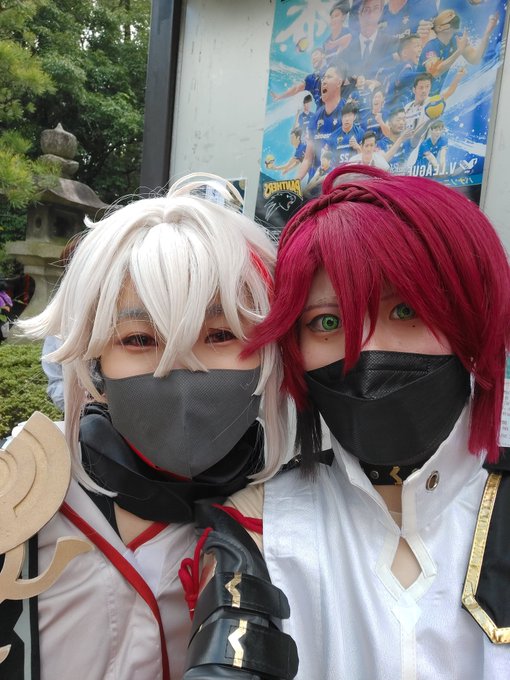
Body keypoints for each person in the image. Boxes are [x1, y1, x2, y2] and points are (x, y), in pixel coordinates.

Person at [0, 174, 291, 680]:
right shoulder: (20, 489)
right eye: (139, 339)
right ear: (93, 360)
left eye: (220, 334)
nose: (180, 368)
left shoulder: (296, 516)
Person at [234, 164, 510, 678]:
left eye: (404, 310)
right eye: (328, 322)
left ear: (472, 316)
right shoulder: (256, 524)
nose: (365, 352)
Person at [419, 8, 499, 94]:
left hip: (435, 95)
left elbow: (474, 59)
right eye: (450, 16)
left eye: (454, 15)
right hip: (416, 95)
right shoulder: (431, 47)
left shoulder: (457, 38)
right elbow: (434, 72)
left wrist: (487, 33)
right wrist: (459, 51)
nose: (454, 17)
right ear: (439, 28)